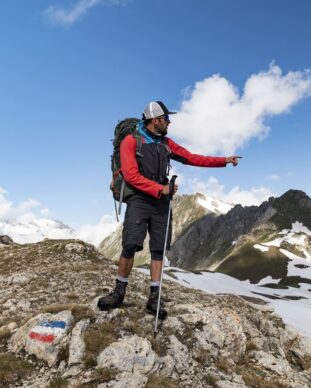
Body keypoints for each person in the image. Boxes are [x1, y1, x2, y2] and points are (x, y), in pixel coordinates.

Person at [98, 101, 241, 318]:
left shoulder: (166, 143)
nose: (169, 123)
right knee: (129, 246)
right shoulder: (130, 142)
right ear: (156, 120)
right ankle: (118, 293)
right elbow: (131, 176)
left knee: (157, 250)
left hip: (161, 201)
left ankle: (154, 299)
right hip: (140, 200)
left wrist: (224, 160)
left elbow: (192, 158)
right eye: (167, 119)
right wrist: (161, 189)